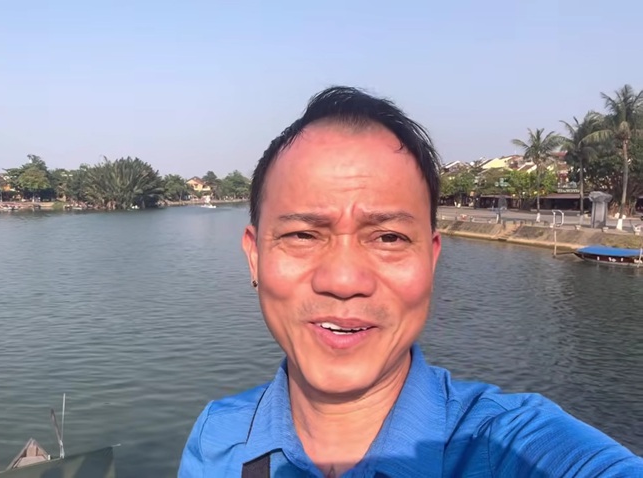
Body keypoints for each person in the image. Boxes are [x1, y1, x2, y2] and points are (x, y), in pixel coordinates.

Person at [178, 86, 643, 477]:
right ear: (254, 256)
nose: (344, 280)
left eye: (389, 237)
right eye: (302, 235)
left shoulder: (511, 448)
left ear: (431, 259)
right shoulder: (219, 437)